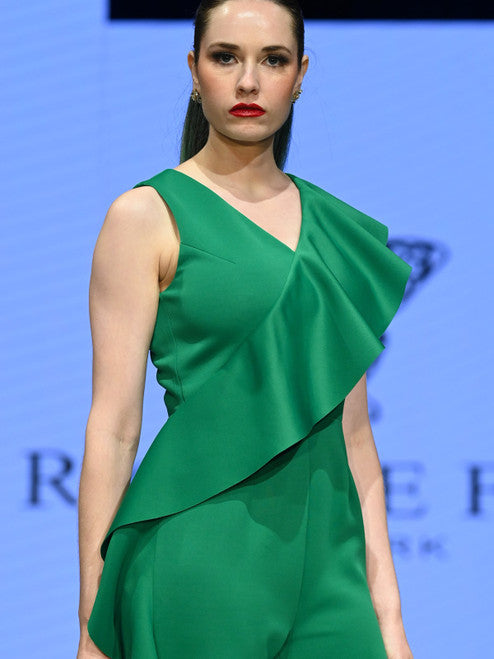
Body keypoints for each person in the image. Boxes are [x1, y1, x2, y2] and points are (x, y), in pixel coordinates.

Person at [77, 0, 414, 657]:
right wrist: (93, 621)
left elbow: (355, 440)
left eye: (274, 60)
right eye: (226, 57)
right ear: (194, 70)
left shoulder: (336, 231)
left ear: (301, 74)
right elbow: (113, 427)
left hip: (333, 574)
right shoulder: (146, 216)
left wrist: (390, 620)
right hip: (201, 558)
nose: (249, 81)